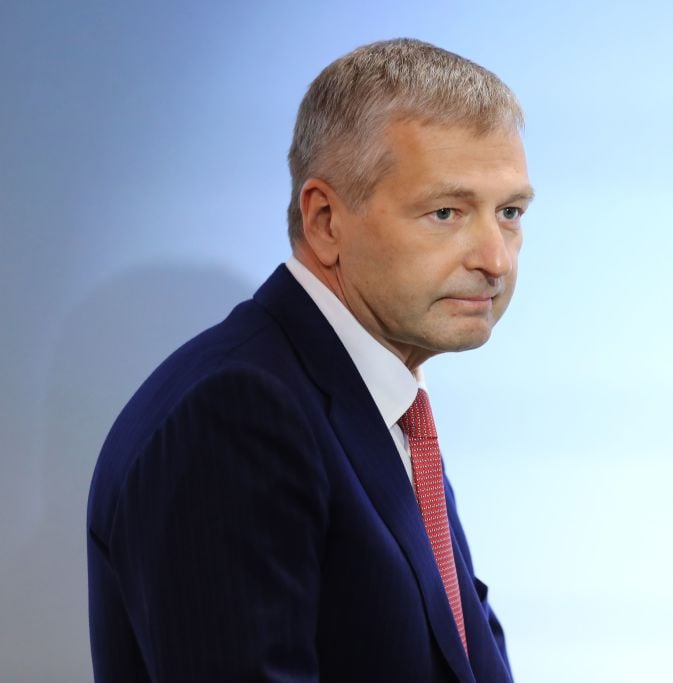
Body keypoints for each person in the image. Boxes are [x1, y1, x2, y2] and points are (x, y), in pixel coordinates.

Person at [87, 38, 533, 682]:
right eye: (446, 212)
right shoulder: (237, 415)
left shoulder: (381, 402)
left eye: (510, 213)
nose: (496, 259)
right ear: (325, 220)